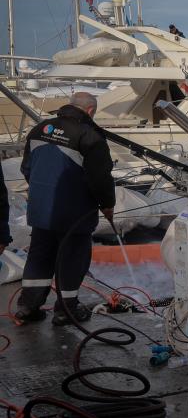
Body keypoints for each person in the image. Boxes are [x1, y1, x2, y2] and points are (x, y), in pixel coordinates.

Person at [14, 92, 115, 325]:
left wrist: (42, 192)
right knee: (72, 258)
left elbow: (27, 167)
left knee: (39, 256)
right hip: (74, 212)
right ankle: (66, 309)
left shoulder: (40, 128)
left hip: (40, 209)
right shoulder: (90, 137)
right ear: (90, 111)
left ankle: (28, 306)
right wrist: (107, 205)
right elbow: (100, 178)